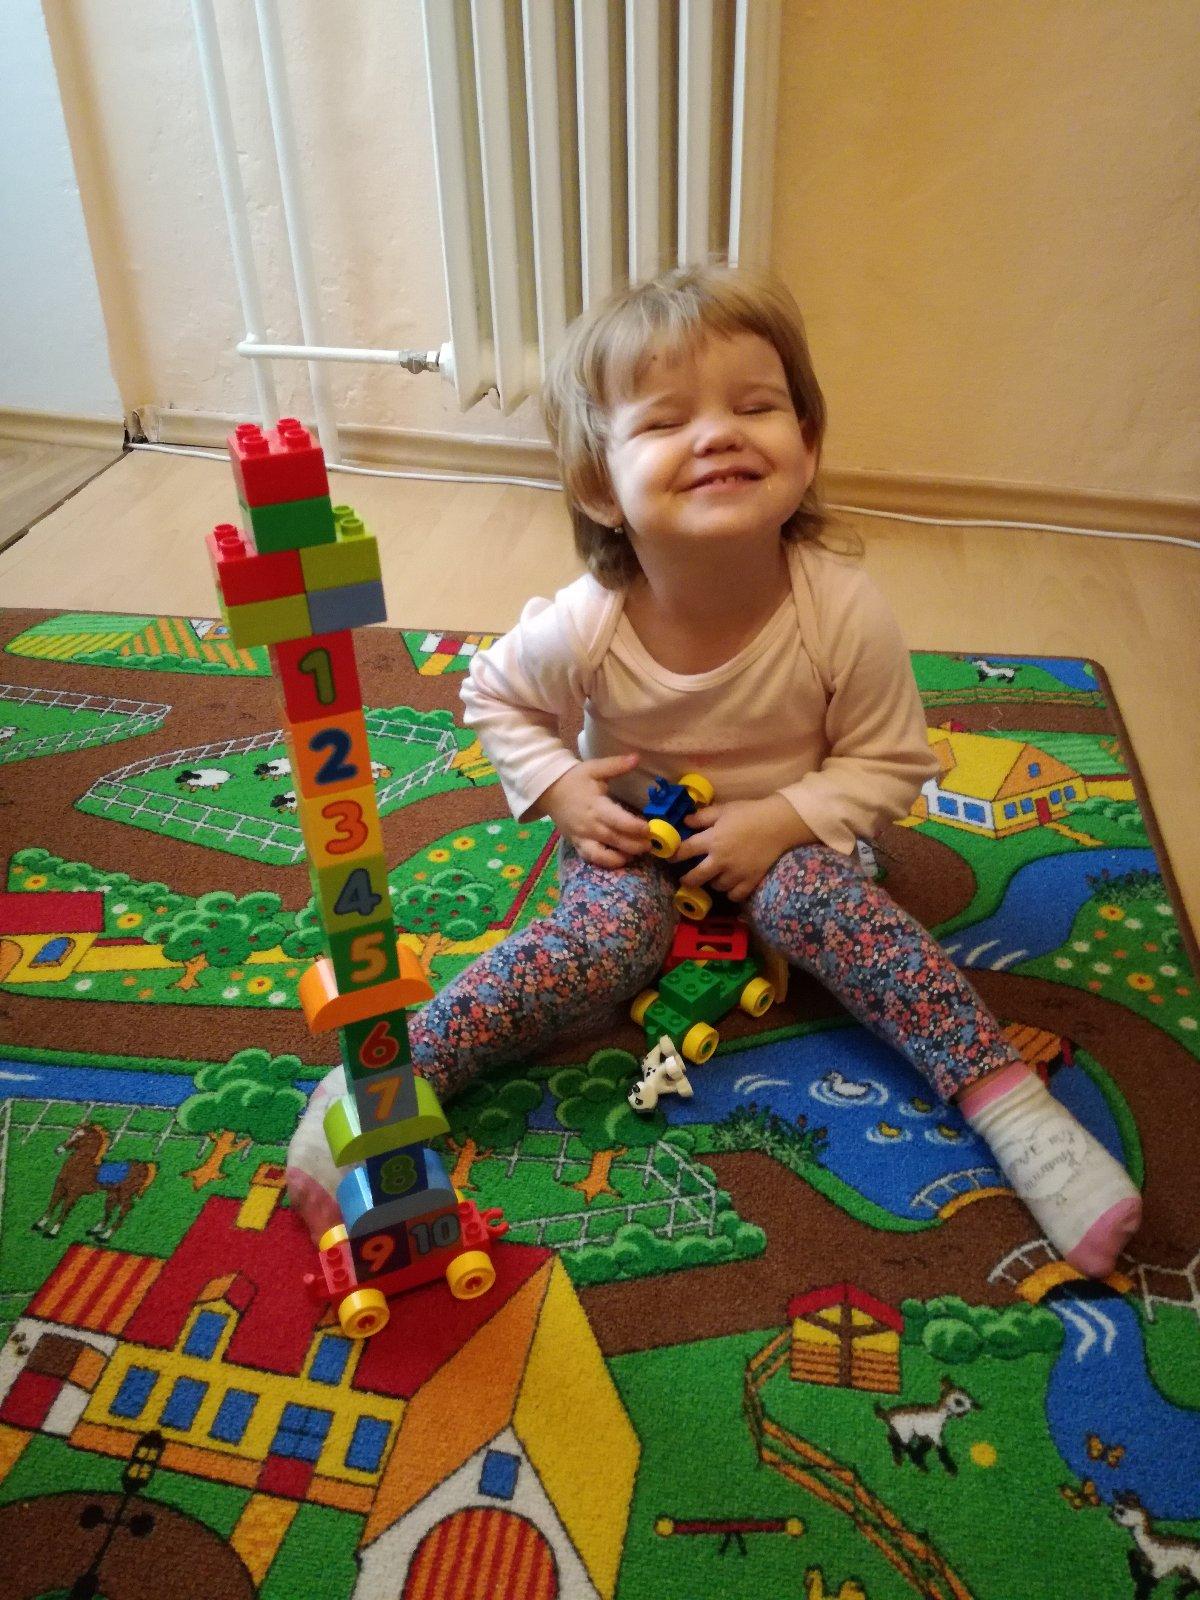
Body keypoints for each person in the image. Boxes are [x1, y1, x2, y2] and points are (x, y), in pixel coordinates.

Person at [288, 263, 1140, 1278]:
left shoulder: (841, 610)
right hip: (634, 841)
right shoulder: (588, 620)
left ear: (806, 446)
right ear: (598, 485)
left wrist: (782, 817)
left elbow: (890, 760)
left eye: (757, 406)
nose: (719, 434)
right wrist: (562, 787)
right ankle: (389, 1078)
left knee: (814, 900)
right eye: (664, 421)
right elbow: (494, 695)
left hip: (796, 846)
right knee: (606, 939)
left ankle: (1011, 1104)